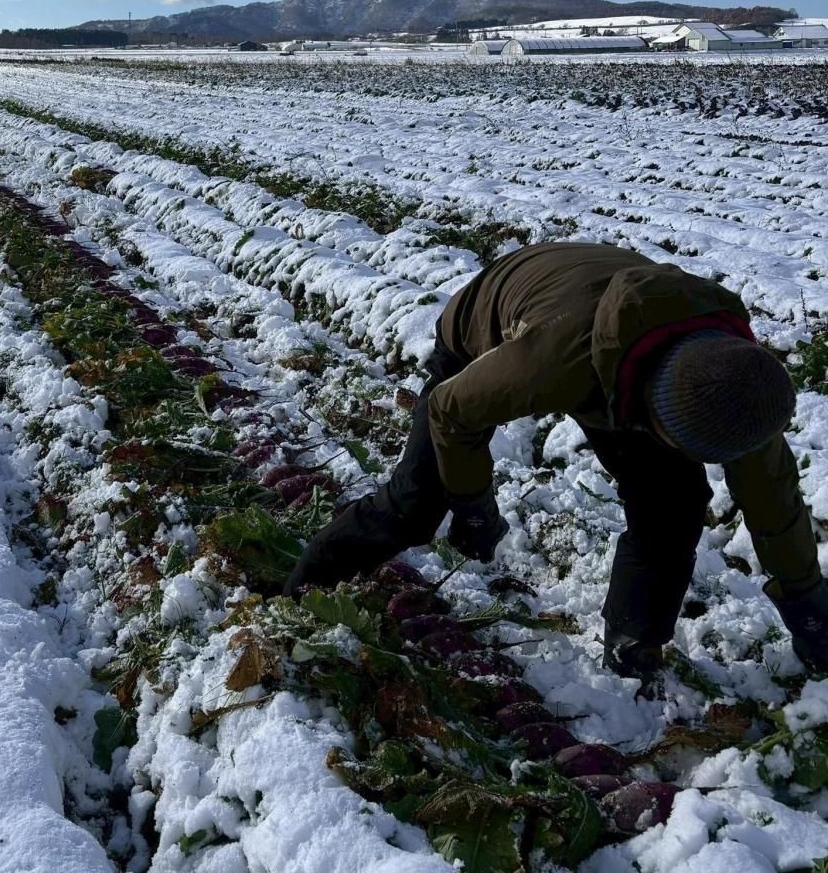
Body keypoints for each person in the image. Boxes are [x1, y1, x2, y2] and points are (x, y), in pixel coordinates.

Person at [285, 242, 827, 680]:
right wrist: (473, 506)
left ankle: (634, 646)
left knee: (673, 501)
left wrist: (805, 600)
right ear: (649, 414)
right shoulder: (552, 364)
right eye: (675, 442)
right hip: (493, 325)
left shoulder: (740, 389)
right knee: (416, 503)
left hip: (627, 341)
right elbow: (452, 411)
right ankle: (301, 594)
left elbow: (773, 497)